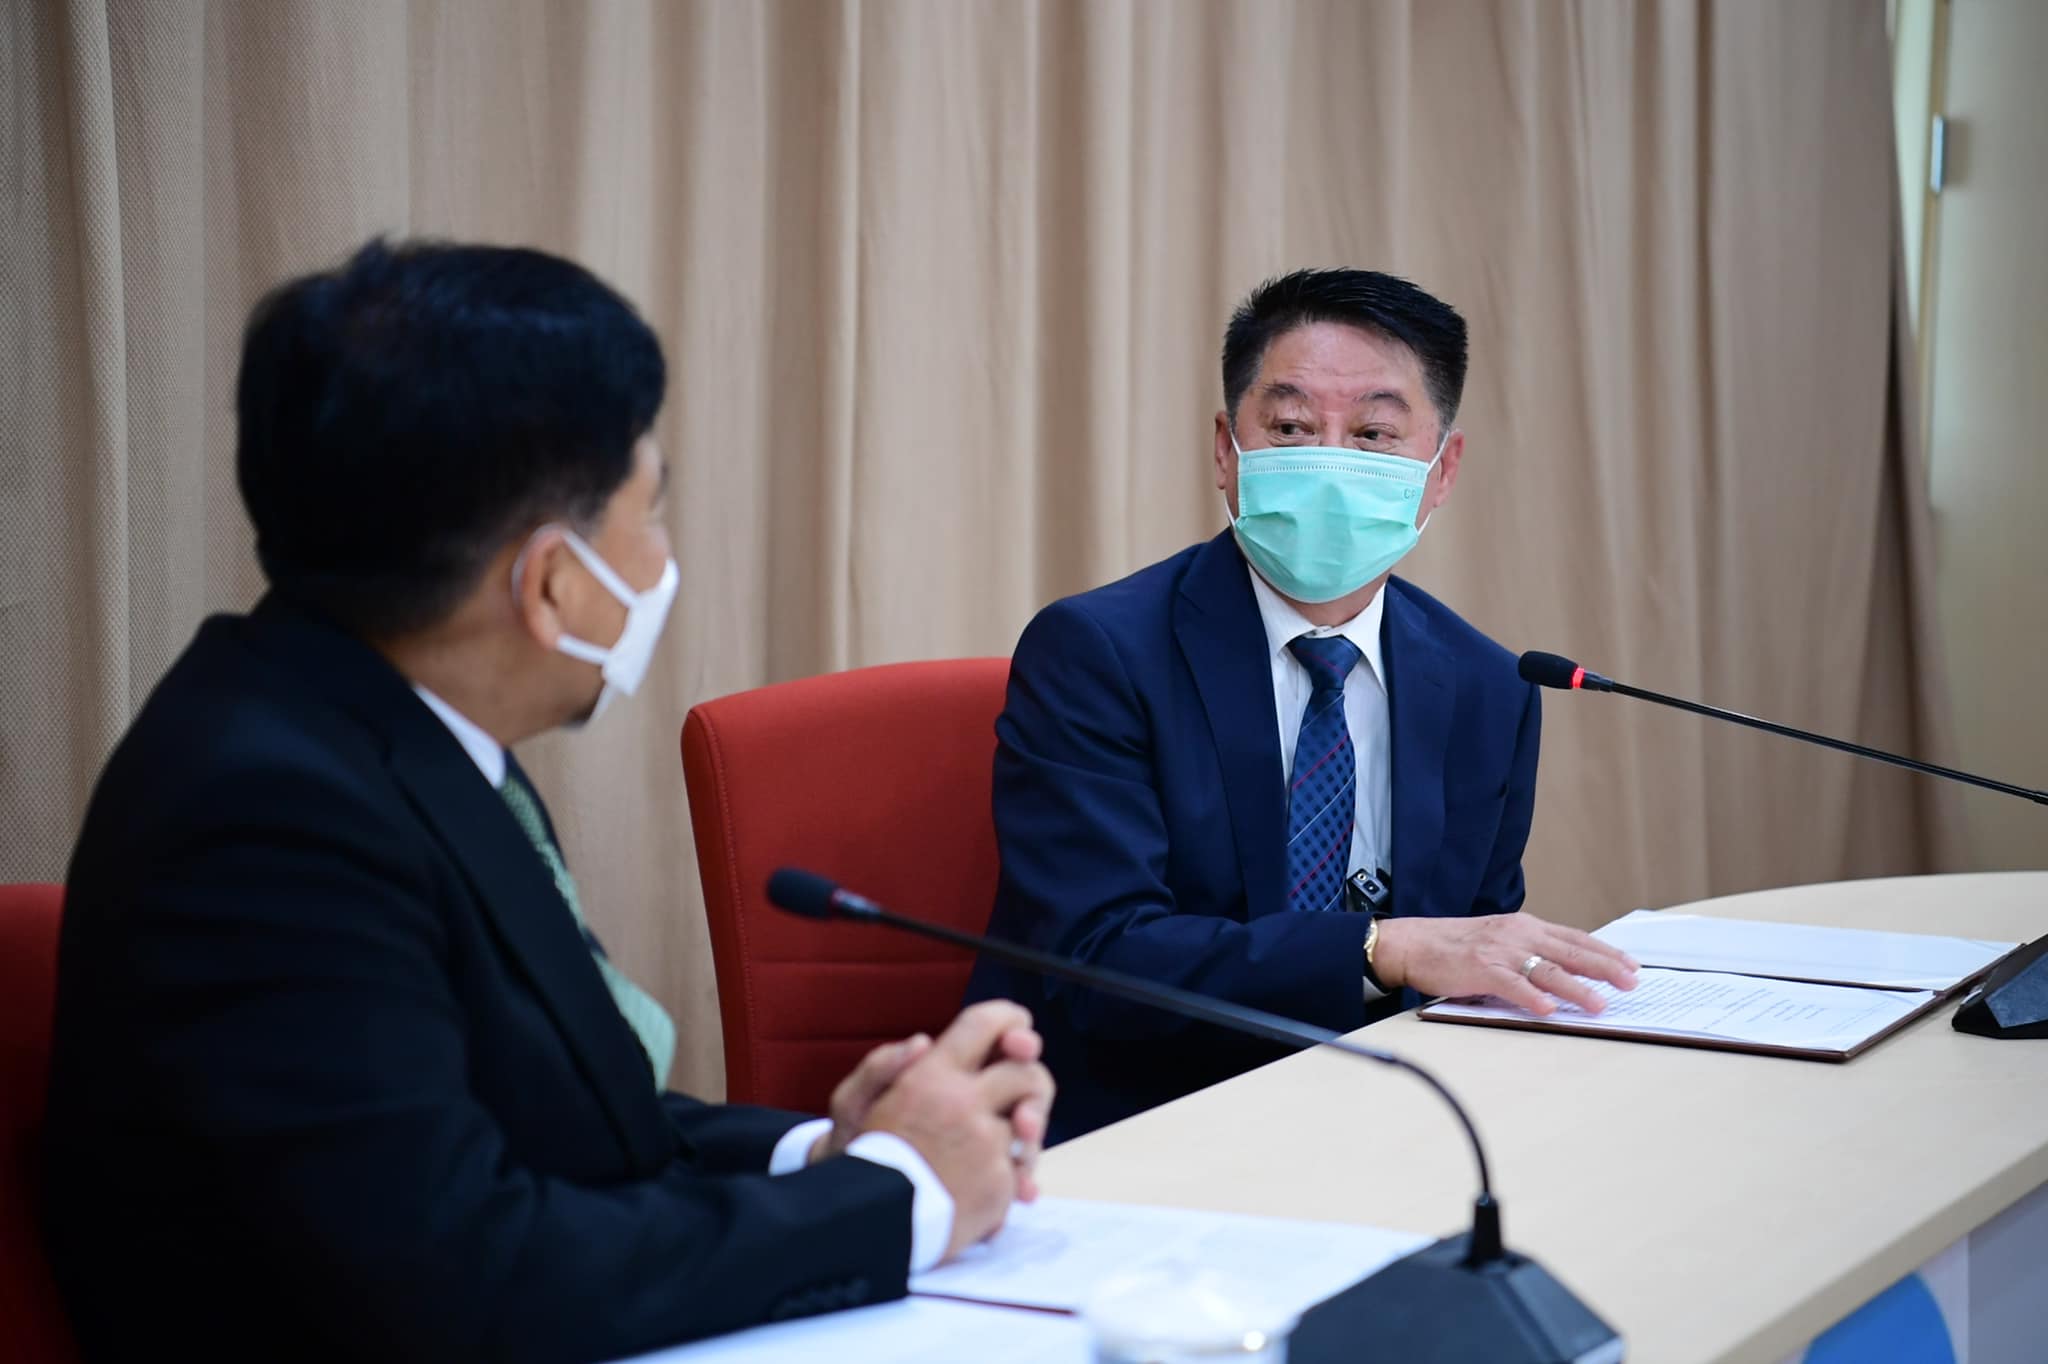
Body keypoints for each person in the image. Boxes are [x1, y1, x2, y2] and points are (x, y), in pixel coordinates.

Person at [40, 239, 1055, 1363]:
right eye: (649, 511)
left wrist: (826, 1155)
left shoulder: (384, 719)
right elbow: (459, 1275)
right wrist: (897, 1196)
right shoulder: (265, 820)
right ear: (553, 583)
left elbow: (562, 1119)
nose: (662, 557)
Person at [966, 268, 1636, 1141]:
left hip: (1387, 1125)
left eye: (1374, 434)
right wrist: (1379, 948)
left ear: (1442, 472)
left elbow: (1469, 961)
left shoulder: (1487, 687)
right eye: (1290, 428)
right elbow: (1099, 960)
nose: (1330, 464)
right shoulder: (1098, 652)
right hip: (1138, 1123)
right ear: (1226, 450)